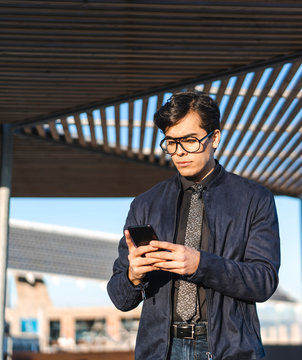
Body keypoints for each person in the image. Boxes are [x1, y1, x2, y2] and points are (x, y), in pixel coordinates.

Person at [107, 90, 280, 360]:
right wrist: (133, 276)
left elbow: (264, 282)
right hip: (160, 351)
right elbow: (120, 298)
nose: (179, 152)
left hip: (230, 350)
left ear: (215, 138)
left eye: (189, 140)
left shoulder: (255, 199)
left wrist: (201, 265)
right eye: (171, 142)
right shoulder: (144, 205)